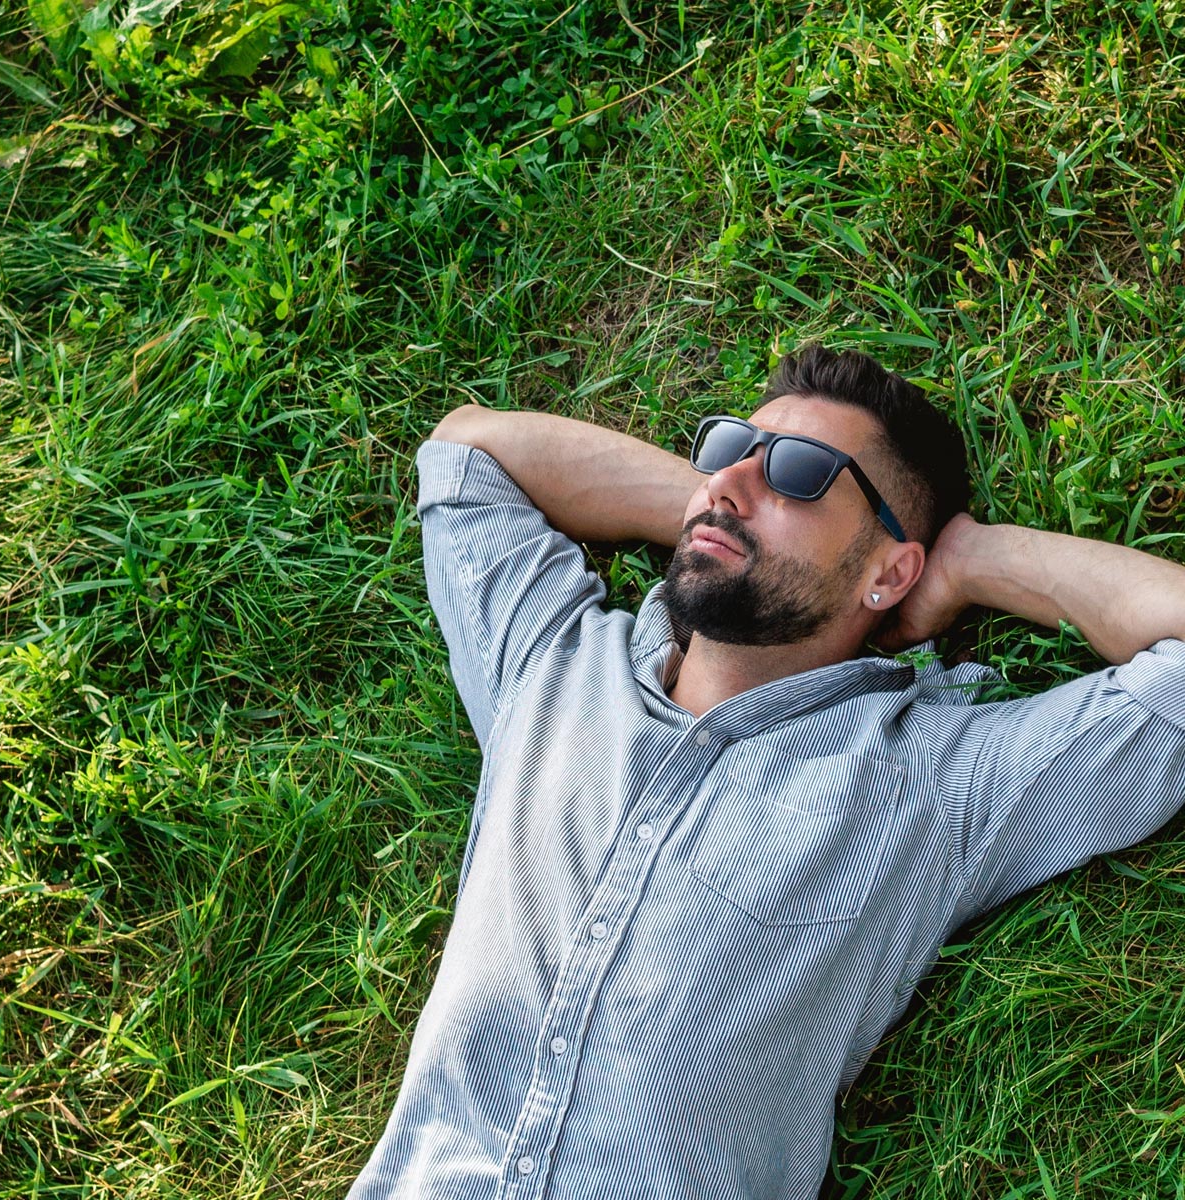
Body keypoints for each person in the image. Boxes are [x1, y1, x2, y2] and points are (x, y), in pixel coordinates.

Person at [347, 345, 1185, 1200]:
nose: (729, 483)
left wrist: (969, 561)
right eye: (729, 453)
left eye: (801, 475)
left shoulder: (931, 783)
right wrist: (712, 506)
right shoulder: (552, 670)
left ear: (890, 571)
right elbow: (466, 455)